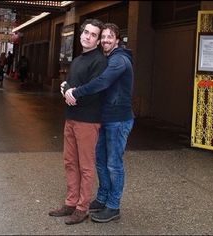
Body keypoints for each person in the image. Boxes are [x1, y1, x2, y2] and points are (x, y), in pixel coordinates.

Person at [63, 23, 135, 223]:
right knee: (101, 163)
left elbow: (101, 82)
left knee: (113, 164)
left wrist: (74, 92)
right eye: (103, 37)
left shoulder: (119, 60)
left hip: (119, 120)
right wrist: (67, 87)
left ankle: (113, 206)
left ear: (117, 40)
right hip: (105, 118)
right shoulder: (108, 58)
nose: (105, 40)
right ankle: (102, 199)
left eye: (109, 37)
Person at [48, 19, 107, 225]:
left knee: (86, 166)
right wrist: (65, 89)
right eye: (86, 32)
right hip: (71, 118)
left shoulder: (99, 61)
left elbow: (94, 90)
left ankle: (82, 208)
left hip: (88, 121)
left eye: (93, 35)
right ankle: (70, 203)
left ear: (98, 40)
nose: (87, 36)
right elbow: (71, 86)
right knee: (70, 162)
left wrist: (73, 94)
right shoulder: (78, 60)